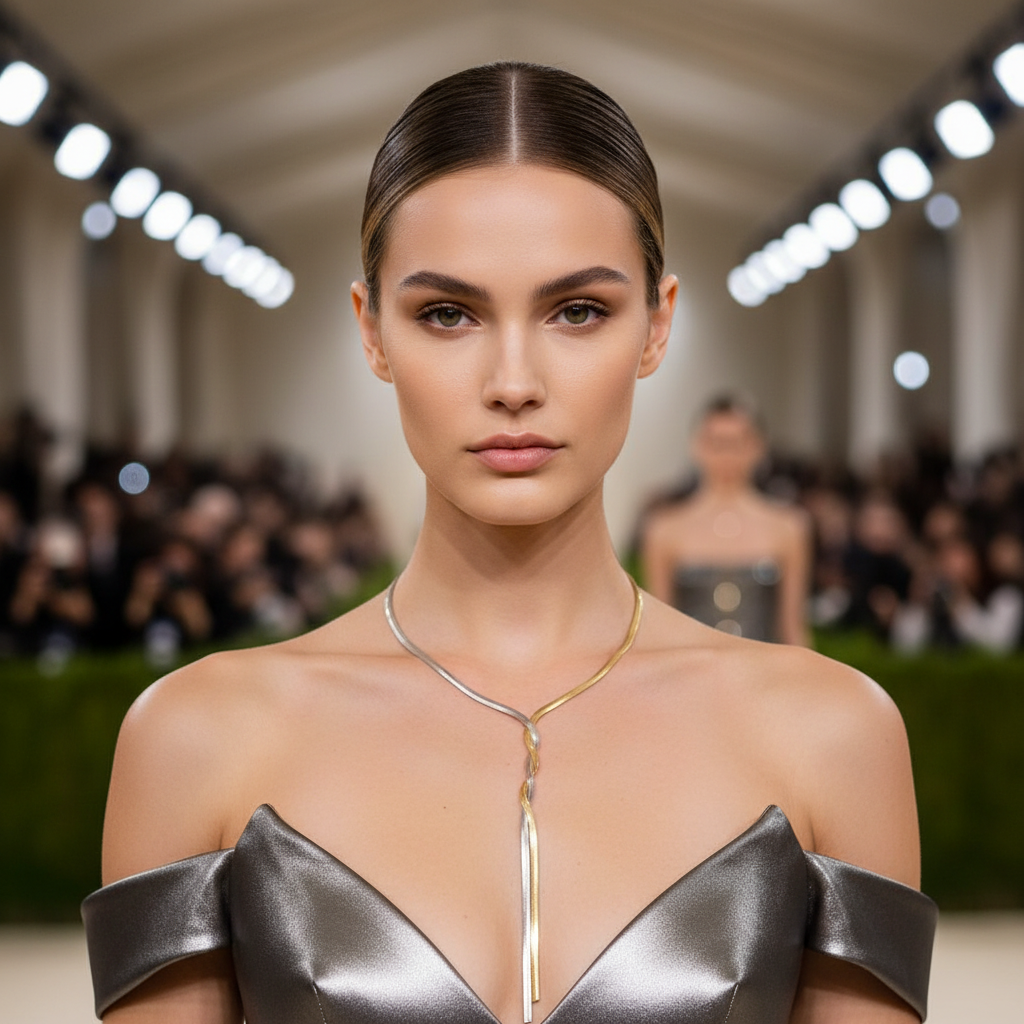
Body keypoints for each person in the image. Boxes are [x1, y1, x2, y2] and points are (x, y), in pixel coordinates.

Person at [82, 63, 935, 1024]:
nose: (514, 380)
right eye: (448, 313)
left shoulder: (832, 736)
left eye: (579, 311)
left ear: (656, 326)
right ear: (373, 334)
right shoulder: (197, 740)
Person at [641, 396, 812, 645]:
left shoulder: (788, 527)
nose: (726, 454)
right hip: (689, 677)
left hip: (767, 677)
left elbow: (793, 627)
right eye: (716, 443)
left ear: (758, 446)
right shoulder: (665, 529)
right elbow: (658, 630)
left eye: (737, 442)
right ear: (697, 445)